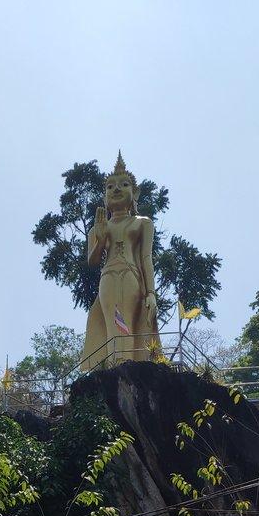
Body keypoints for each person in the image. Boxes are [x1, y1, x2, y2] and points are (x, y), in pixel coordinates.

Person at [81, 152, 160, 367]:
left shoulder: (142, 223)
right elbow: (93, 261)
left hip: (131, 276)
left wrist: (151, 293)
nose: (116, 189)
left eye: (123, 184)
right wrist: (101, 236)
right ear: (104, 196)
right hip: (108, 277)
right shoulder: (97, 228)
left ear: (134, 193)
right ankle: (114, 365)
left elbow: (146, 258)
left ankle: (130, 365)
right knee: (111, 322)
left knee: (128, 320)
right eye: (110, 187)